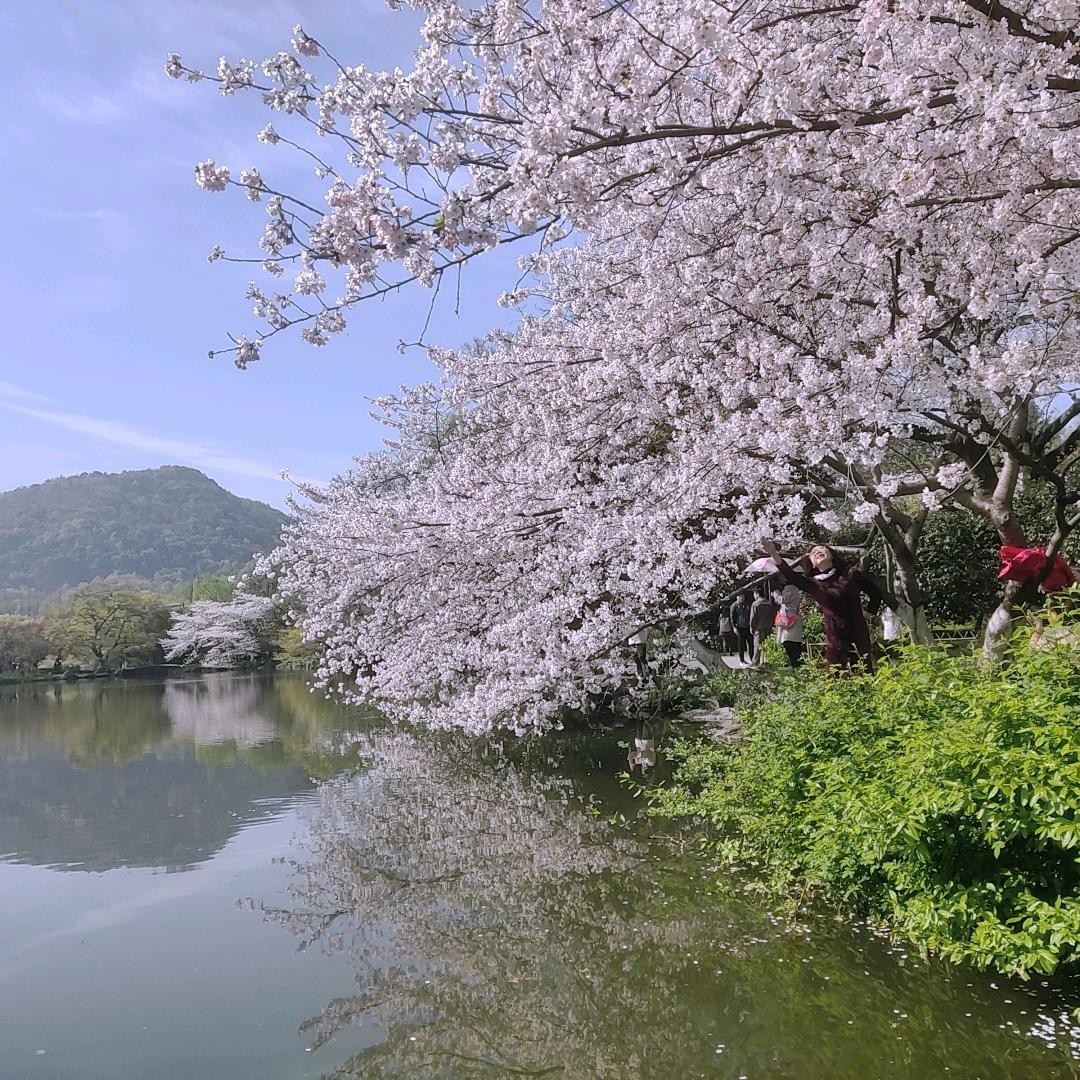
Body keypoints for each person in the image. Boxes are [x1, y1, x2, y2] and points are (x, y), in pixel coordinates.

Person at [761, 538, 886, 672]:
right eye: (813, 553)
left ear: (831, 554)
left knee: (863, 673)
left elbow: (875, 593)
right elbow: (791, 576)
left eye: (821, 548)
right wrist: (774, 553)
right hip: (835, 639)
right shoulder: (814, 585)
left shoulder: (850, 574)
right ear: (812, 564)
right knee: (837, 677)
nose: (817, 552)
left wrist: (868, 613)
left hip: (858, 634)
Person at [775, 582, 805, 668]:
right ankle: (794, 664)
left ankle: (795, 664)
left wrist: (776, 593)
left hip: (790, 621)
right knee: (791, 643)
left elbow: (783, 599)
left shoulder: (791, 588)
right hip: (791, 620)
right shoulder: (794, 588)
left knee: (790, 643)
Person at [749, 586, 778, 667]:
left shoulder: (755, 604)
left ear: (757, 594)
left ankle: (755, 662)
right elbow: (773, 615)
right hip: (768, 626)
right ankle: (766, 661)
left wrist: (751, 627)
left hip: (758, 627)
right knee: (767, 645)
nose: (754, 596)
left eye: (754, 593)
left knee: (757, 645)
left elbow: (753, 617)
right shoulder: (768, 603)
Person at [730, 592, 753, 665]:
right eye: (740, 596)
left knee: (751, 643)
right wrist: (734, 627)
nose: (741, 598)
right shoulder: (734, 606)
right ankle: (742, 660)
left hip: (748, 626)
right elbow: (732, 618)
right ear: (737, 597)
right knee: (741, 645)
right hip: (739, 627)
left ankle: (752, 659)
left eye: (743, 596)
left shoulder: (747, 605)